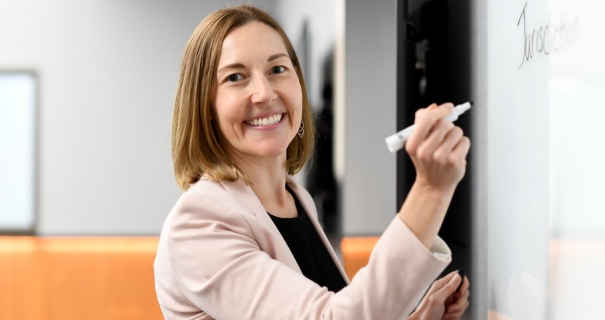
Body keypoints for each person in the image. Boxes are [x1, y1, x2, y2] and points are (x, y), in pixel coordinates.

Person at [154, 4, 470, 319]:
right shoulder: (197, 223)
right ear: (205, 106)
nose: (264, 93)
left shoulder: (296, 199)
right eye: (236, 77)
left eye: (277, 69)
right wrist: (430, 189)